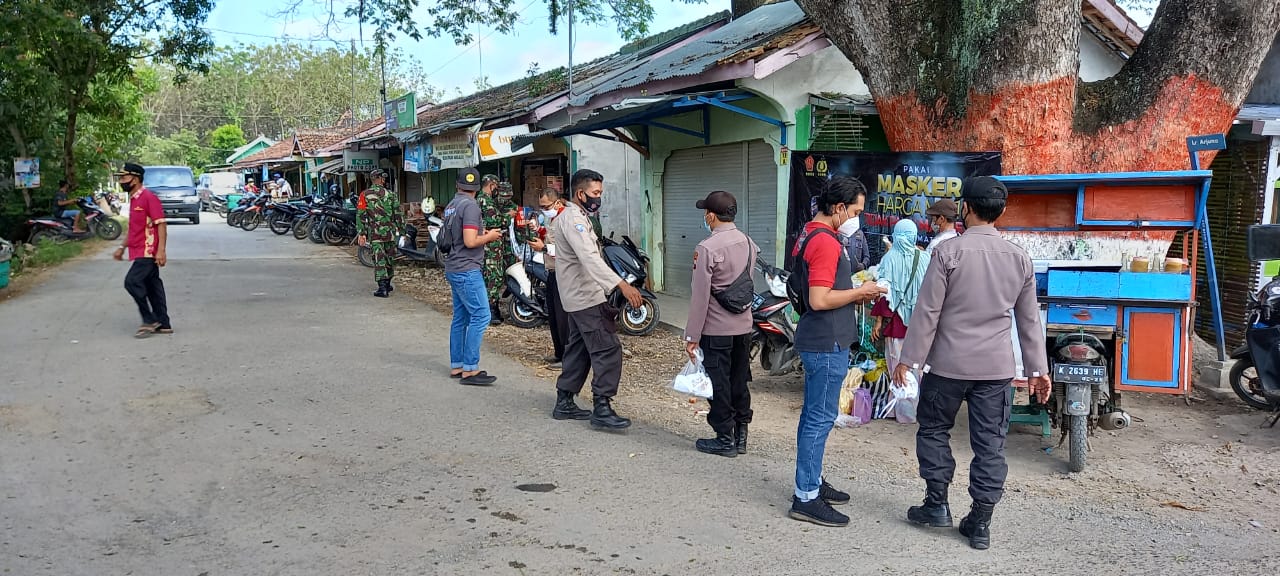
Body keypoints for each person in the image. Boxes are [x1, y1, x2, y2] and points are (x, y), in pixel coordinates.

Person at [893, 176, 1051, 551]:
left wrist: (909, 359)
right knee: (991, 445)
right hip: (995, 371)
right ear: (1001, 212)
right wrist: (1038, 370)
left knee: (933, 430)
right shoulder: (1019, 258)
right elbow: (1028, 321)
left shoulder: (948, 253)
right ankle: (980, 522)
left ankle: (937, 505)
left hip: (947, 367)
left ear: (966, 208)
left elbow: (927, 311)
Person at [788, 176, 886, 527]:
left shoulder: (808, 232)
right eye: (856, 211)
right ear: (839, 207)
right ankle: (806, 496)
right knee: (820, 418)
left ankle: (810, 480)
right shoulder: (827, 242)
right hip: (826, 340)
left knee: (812, 416)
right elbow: (819, 298)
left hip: (819, 338)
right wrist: (860, 293)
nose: (857, 217)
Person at [550, 168, 643, 429]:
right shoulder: (574, 220)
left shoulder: (575, 216)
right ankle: (602, 406)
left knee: (579, 349)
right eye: (595, 193)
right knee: (607, 349)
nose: (598, 198)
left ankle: (564, 400)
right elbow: (589, 259)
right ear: (580, 193)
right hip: (585, 297)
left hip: (579, 295)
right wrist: (622, 285)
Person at [685, 190, 757, 457]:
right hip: (743, 328)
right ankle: (741, 436)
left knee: (719, 384)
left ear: (711, 216)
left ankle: (724, 438)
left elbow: (700, 296)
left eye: (706, 213)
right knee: (739, 381)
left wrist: (692, 335)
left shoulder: (706, 249)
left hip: (716, 329)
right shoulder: (749, 243)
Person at [442, 168, 503, 386]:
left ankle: (457, 365)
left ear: (458, 185)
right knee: (481, 316)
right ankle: (470, 369)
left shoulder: (451, 206)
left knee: (461, 317)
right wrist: (490, 237)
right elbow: (469, 241)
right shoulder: (470, 206)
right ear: (479, 188)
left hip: (453, 267)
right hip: (467, 268)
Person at [111, 163, 171, 338]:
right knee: (153, 286)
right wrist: (122, 247)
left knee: (131, 282)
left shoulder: (148, 197)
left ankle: (149, 319)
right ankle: (163, 323)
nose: (121, 181)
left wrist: (161, 251)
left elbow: (161, 224)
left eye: (124, 178)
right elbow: (134, 229)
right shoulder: (134, 199)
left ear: (135, 179)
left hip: (148, 250)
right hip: (137, 249)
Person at [871, 219, 930, 374]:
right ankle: (916, 397)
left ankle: (901, 398)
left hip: (896, 323)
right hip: (920, 324)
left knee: (897, 368)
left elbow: (884, 293)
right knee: (917, 368)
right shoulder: (925, 258)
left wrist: (878, 321)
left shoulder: (889, 258)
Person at [527, 188, 569, 370]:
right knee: (553, 315)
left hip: (564, 273)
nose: (543, 210)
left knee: (562, 317)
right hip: (552, 271)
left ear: (557, 202)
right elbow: (550, 237)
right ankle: (559, 353)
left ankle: (567, 358)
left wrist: (543, 248)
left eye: (546, 206)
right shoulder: (554, 219)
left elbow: (568, 252)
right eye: (541, 206)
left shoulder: (567, 220)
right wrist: (538, 230)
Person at [356, 168, 404, 298]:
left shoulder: (364, 195)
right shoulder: (391, 195)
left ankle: (382, 288)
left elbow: (361, 215)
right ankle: (387, 283)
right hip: (390, 232)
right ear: (382, 179)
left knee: (379, 259)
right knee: (389, 257)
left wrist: (362, 233)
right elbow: (398, 214)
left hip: (375, 233)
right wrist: (402, 230)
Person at [477, 174, 513, 325]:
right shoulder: (485, 200)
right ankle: (490, 310)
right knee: (493, 277)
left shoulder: (486, 200)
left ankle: (490, 308)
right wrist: (508, 216)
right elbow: (494, 220)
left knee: (494, 276)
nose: (497, 191)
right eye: (496, 187)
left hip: (494, 245)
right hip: (490, 246)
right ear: (491, 185)